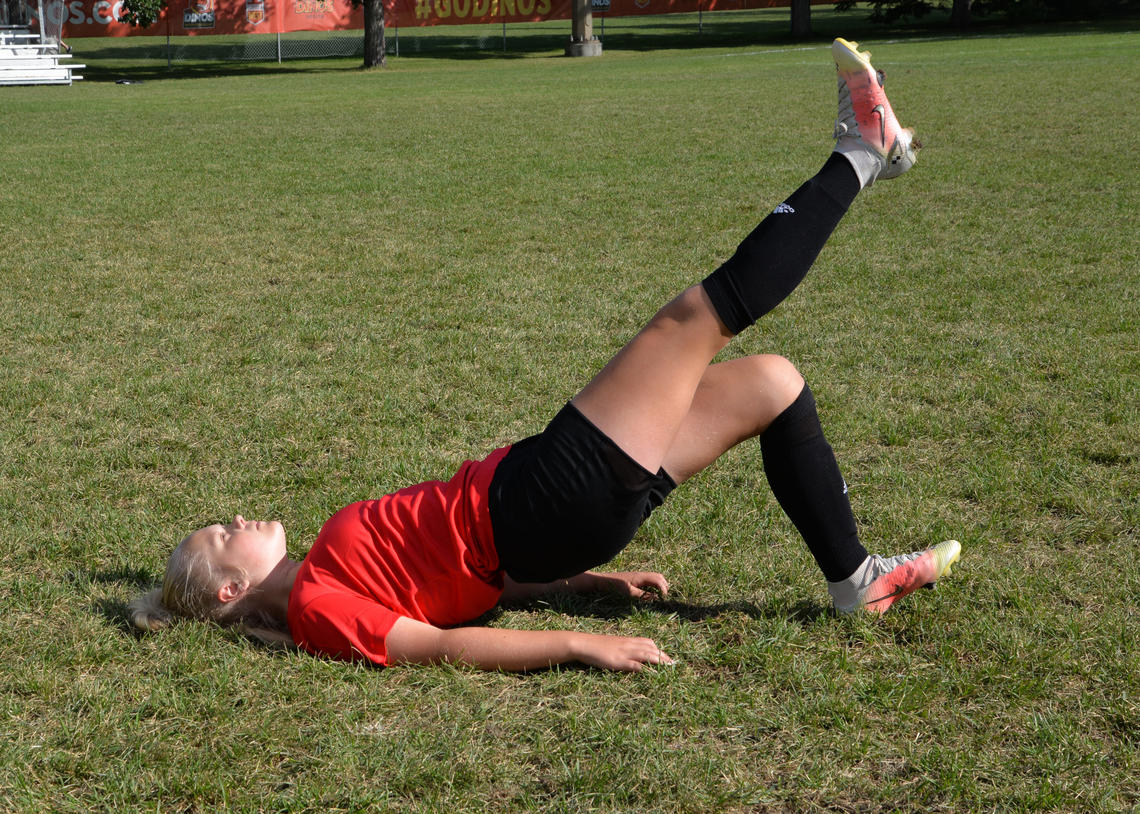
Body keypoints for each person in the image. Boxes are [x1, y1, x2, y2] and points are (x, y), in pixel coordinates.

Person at [130, 39, 961, 673]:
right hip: (541, 500)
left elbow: (460, 586)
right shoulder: (313, 605)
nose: (235, 519)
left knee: (774, 384)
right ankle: (862, 150)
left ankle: (856, 580)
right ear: (232, 588)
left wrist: (582, 585)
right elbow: (434, 644)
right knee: (696, 318)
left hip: (545, 519)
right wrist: (575, 643)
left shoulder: (320, 569)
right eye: (220, 533)